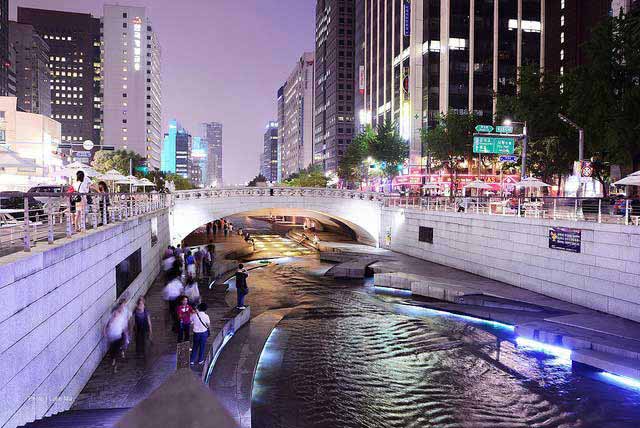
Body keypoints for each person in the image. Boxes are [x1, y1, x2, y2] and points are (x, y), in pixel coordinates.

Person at [104, 299, 128, 373]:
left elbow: (124, 326)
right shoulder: (113, 314)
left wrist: (126, 333)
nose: (122, 309)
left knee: (116, 350)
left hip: (118, 335)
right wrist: (104, 331)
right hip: (112, 335)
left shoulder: (122, 316)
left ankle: (115, 364)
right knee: (113, 350)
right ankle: (113, 359)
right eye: (120, 307)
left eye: (123, 307)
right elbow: (107, 323)